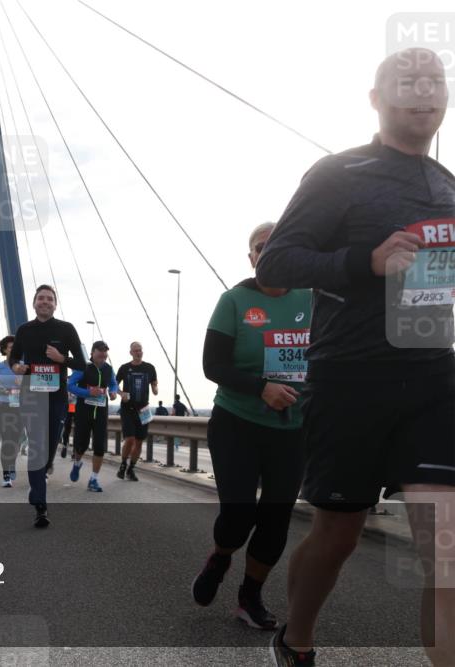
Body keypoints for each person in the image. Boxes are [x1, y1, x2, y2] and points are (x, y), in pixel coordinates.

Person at [256, 48, 454, 667]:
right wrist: (362, 261)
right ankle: (297, 636)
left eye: (435, 82)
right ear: (374, 98)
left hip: (433, 378)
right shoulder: (340, 172)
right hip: (350, 378)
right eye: (406, 82)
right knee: (338, 534)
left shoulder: (448, 186)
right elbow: (277, 262)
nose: (423, 93)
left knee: (444, 551)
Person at [192, 222, 310, 632]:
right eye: (263, 246)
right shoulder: (234, 301)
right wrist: (261, 388)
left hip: (292, 430)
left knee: (276, 520)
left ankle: (250, 596)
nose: (272, 251)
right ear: (252, 257)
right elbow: (212, 366)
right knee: (239, 515)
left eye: (282, 243)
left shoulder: (313, 300)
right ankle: (221, 555)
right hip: (237, 423)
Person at [9, 284, 86, 527]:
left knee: (50, 445)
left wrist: (62, 359)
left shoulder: (66, 329)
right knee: (36, 446)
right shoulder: (24, 330)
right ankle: (41, 505)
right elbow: (13, 357)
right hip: (31, 395)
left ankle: (41, 475)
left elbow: (82, 364)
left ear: (55, 304)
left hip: (56, 396)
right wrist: (16, 367)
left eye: (49, 299)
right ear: (34, 303)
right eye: (40, 298)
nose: (44, 302)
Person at [66, 340, 118, 492]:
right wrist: (88, 392)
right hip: (84, 411)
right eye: (100, 355)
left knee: (99, 446)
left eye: (105, 355)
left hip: (101, 412)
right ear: (92, 353)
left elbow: (113, 383)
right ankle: (77, 463)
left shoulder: (109, 369)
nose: (102, 358)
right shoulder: (83, 367)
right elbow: (70, 385)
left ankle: (94, 479)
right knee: (80, 445)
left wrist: (113, 391)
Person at [115, 342, 158, 481]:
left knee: (139, 442)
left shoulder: (150, 368)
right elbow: (113, 384)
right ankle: (122, 464)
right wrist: (121, 393)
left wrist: (155, 389)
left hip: (144, 409)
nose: (139, 352)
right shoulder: (124, 368)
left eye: (140, 350)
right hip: (128, 409)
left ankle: (131, 468)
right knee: (130, 439)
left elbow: (154, 384)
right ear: (131, 353)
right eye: (136, 350)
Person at [0, 335, 22, 487]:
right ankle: (6, 475)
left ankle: (12, 464)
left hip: (19, 407)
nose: (13, 350)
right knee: (6, 439)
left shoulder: (23, 366)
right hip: (3, 406)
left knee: (16, 440)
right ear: (4, 349)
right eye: (10, 347)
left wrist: (22, 384)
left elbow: (32, 386)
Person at [60, 394, 76, 458]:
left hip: (73, 404)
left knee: (68, 427)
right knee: (69, 427)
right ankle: (66, 446)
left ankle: (66, 446)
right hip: (73, 405)